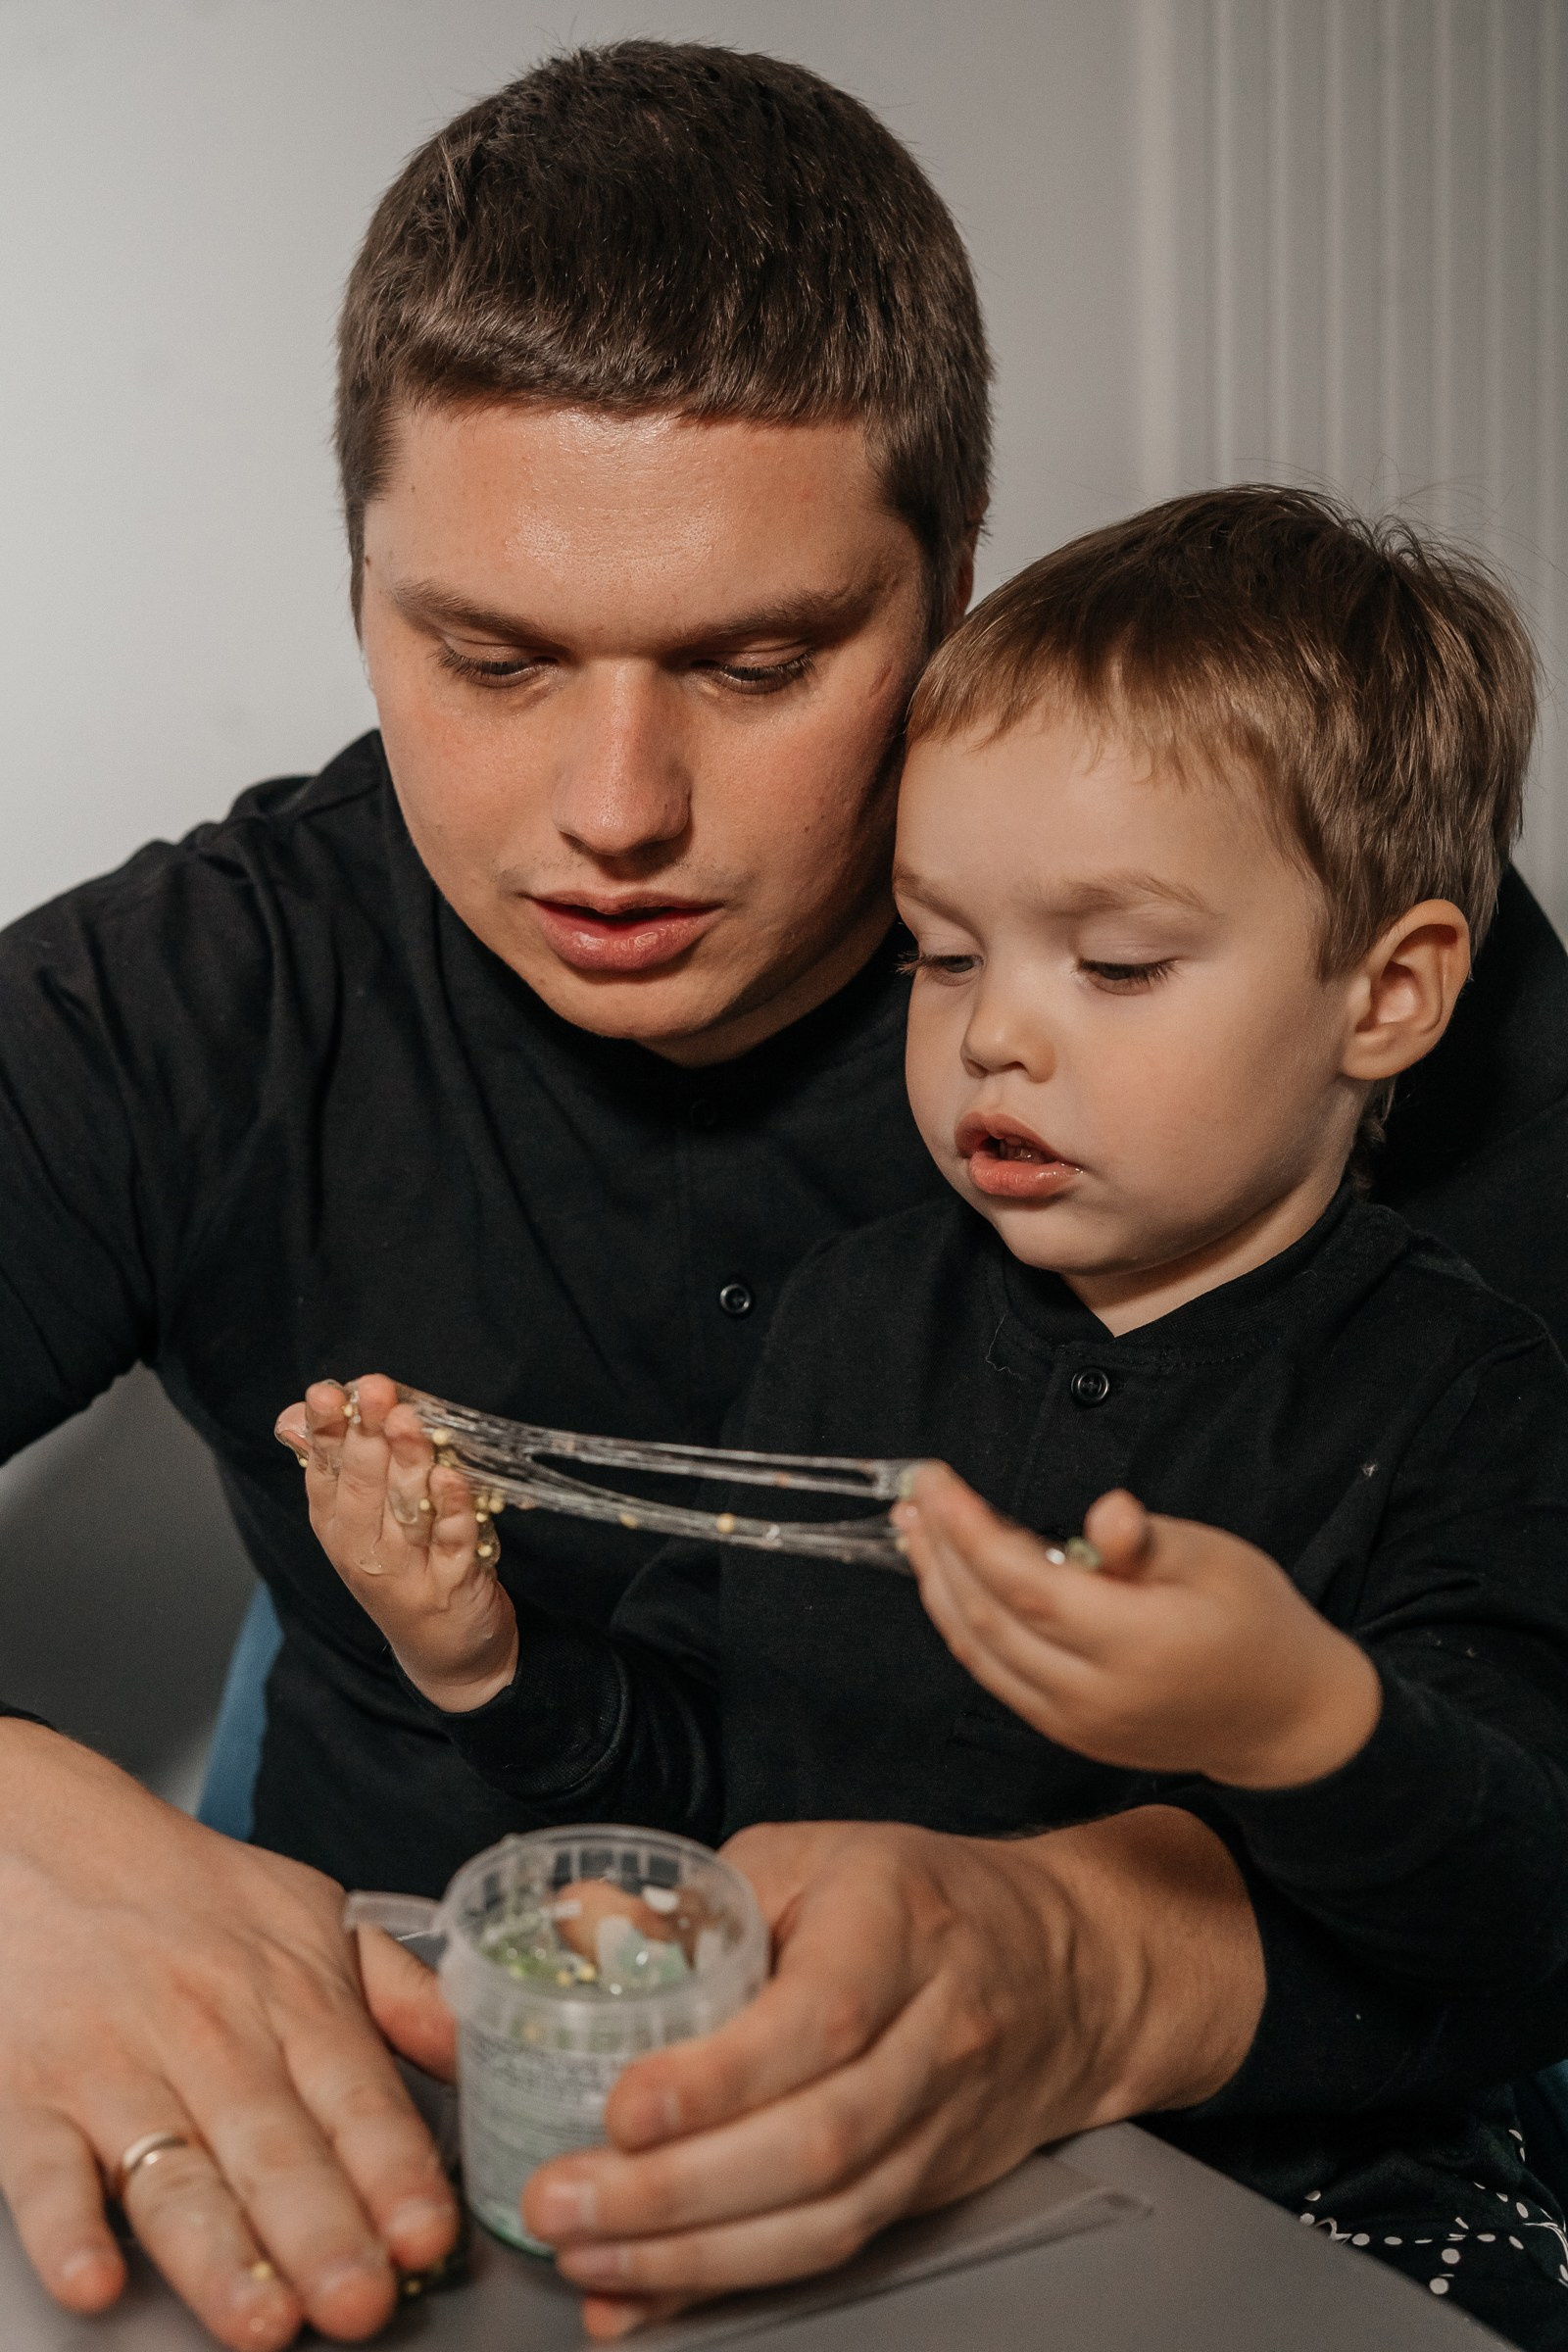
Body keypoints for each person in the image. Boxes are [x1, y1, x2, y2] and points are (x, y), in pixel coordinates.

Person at [1, 40, 1567, 2352]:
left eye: (758, 662)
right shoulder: (186, 1000)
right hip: (411, 2136)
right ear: (357, 592)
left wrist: (1093, 1957)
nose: (614, 808)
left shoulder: (1283, 942)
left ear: (951, 581)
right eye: (490, 657)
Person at [296, 487, 1568, 2345]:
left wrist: (1299, 1721)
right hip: (861, 2160)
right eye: (943, 954)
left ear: (1388, 994)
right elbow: (701, 1789)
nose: (994, 1036)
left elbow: (1522, 1919)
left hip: (1329, 2204)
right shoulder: (851, 1317)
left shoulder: (1470, 1390)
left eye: (1114, 965)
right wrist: (484, 1658)